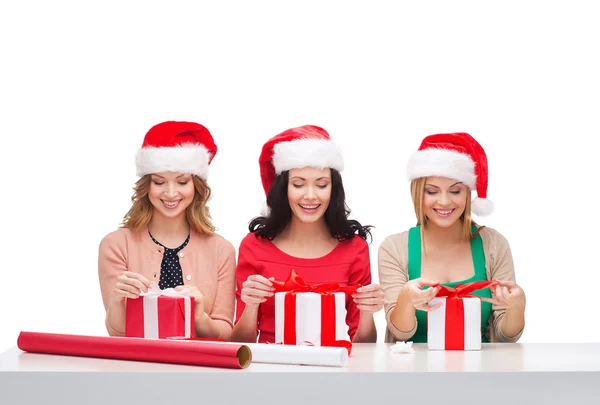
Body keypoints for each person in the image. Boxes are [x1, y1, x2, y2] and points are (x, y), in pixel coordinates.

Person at [231, 125, 384, 344]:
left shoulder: (355, 248)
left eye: (321, 185)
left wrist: (368, 311)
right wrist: (251, 304)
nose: (310, 196)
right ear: (284, 188)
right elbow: (239, 344)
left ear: (333, 189)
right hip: (271, 367)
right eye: (298, 184)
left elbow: (364, 346)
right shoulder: (254, 246)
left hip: (333, 368)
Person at [378, 132, 526, 343]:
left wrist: (517, 307)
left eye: (455, 191)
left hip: (479, 370)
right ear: (419, 193)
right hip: (413, 372)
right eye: (432, 191)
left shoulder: (494, 244)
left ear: (468, 193)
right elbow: (402, 333)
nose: (444, 201)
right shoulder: (394, 248)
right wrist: (406, 301)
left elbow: (505, 335)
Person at [98, 121, 236, 339]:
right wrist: (117, 299)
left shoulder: (222, 250)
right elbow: (117, 332)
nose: (171, 193)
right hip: (136, 367)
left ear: (196, 187)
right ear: (146, 185)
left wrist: (200, 317)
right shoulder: (116, 245)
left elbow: (225, 333)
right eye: (159, 182)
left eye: (182, 182)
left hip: (197, 370)